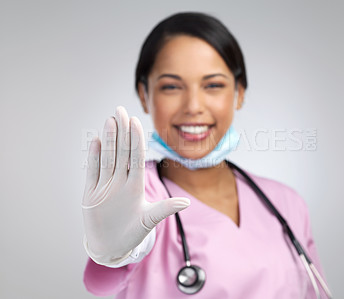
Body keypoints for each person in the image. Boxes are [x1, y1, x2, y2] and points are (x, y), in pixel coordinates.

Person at [81, 12, 329, 299]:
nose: (193, 106)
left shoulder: (286, 203)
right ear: (144, 95)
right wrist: (112, 254)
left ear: (239, 93)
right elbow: (100, 283)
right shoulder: (133, 195)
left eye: (213, 85)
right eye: (171, 87)